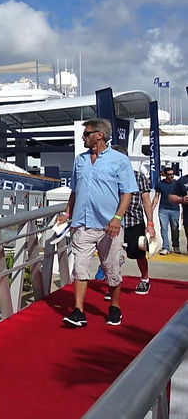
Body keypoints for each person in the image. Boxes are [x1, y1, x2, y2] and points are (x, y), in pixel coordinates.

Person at [56, 119, 136, 327]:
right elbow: (75, 190)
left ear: (99, 135)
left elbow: (127, 192)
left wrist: (117, 218)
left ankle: (115, 307)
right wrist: (67, 213)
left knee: (112, 270)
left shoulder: (119, 160)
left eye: (86, 134)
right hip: (82, 224)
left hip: (109, 227)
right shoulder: (80, 160)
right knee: (80, 268)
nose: (83, 137)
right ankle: (78, 311)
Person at [113, 146, 155, 296]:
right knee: (113, 255)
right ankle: (113, 283)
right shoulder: (110, 177)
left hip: (134, 221)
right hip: (115, 223)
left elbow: (146, 201)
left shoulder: (138, 177)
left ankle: (145, 279)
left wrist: (150, 224)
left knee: (138, 254)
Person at [153, 167, 180, 255]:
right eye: (169, 174)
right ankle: (166, 247)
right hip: (163, 209)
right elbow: (156, 196)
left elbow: (182, 196)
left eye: (172, 174)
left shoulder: (177, 184)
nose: (171, 176)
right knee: (164, 228)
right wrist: (152, 207)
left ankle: (176, 245)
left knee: (175, 228)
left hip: (175, 209)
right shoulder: (160, 184)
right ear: (164, 175)